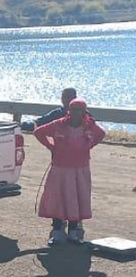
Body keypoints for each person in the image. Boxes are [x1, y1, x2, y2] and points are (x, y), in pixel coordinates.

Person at [33, 98, 105, 246]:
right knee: (57, 199)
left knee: (76, 199)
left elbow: (101, 134)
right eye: (73, 110)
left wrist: (89, 146)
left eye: (79, 110)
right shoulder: (58, 125)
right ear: (69, 111)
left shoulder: (89, 126)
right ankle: (57, 232)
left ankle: (73, 233)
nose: (76, 113)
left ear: (84, 112)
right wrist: (51, 146)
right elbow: (38, 132)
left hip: (80, 169)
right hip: (60, 169)